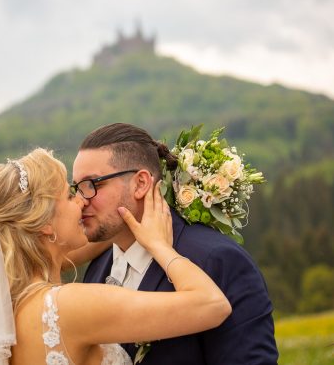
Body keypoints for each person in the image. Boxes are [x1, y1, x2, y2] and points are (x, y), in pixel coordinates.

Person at [0, 147, 231, 365]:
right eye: (69, 196)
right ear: (44, 224)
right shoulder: (68, 305)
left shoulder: (11, 307)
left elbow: (83, 243)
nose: (81, 200)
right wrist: (159, 246)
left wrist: (124, 219)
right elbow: (213, 305)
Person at [73, 123, 279, 364]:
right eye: (76, 187)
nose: (80, 201)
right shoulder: (98, 266)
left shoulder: (218, 260)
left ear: (140, 183)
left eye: (92, 185)